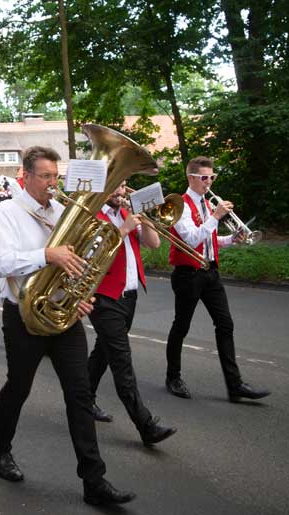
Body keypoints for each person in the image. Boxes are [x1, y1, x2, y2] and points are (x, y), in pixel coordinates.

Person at [0, 146, 135, 506]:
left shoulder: (63, 212)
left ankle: (94, 481)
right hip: (22, 314)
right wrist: (45, 255)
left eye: (56, 176)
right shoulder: (6, 211)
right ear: (26, 176)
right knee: (18, 387)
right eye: (45, 177)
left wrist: (80, 294)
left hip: (62, 314)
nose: (52, 184)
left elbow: (80, 263)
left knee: (80, 394)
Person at [165, 156, 271, 403]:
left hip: (210, 273)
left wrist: (231, 239)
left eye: (212, 177)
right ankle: (173, 377)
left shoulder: (205, 204)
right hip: (188, 275)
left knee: (226, 325)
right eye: (205, 178)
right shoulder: (179, 206)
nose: (209, 182)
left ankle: (234, 386)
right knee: (181, 327)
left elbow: (210, 240)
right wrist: (216, 215)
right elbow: (192, 239)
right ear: (191, 178)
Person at [85, 181, 177, 445]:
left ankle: (83, 399)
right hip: (104, 297)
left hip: (129, 296)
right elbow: (91, 255)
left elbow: (154, 243)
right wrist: (121, 232)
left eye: (123, 186)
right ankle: (145, 425)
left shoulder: (127, 213)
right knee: (121, 361)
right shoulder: (92, 215)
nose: (120, 192)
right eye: (114, 186)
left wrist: (146, 219)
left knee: (104, 351)